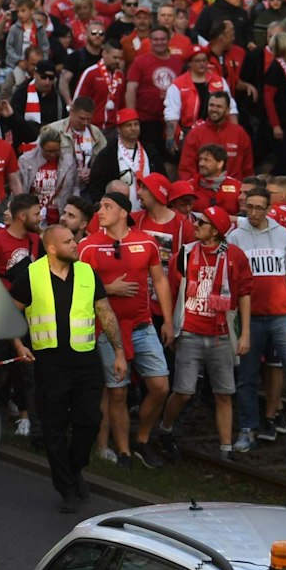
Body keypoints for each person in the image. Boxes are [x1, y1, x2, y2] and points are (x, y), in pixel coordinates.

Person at [11, 223, 124, 512]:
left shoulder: (87, 272)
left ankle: (75, 468)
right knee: (54, 427)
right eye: (68, 241)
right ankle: (66, 487)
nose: (75, 244)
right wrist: (18, 345)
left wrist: (119, 352)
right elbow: (10, 311)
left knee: (89, 420)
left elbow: (105, 313)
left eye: (73, 239)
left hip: (86, 361)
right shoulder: (31, 275)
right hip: (49, 363)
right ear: (51, 248)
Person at [76, 191, 173, 468]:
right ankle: (124, 452)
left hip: (143, 326)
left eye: (107, 206)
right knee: (117, 392)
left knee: (161, 386)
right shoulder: (89, 246)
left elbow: (161, 282)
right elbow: (78, 288)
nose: (100, 211)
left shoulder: (147, 242)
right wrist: (109, 289)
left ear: (123, 212)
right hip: (107, 330)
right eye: (100, 206)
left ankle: (141, 439)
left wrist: (166, 320)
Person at [160, 207, 254, 459]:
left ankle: (226, 449)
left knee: (224, 393)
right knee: (183, 391)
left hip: (221, 334)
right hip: (190, 331)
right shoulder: (186, 254)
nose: (196, 225)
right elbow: (170, 290)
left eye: (202, 222)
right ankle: (165, 428)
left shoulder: (235, 256)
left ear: (215, 230)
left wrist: (245, 333)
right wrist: (170, 324)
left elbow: (244, 294)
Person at [231, 190, 286, 450]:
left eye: (260, 208)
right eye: (250, 207)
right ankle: (247, 428)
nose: (254, 213)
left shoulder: (283, 235)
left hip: (281, 315)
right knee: (247, 376)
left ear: (269, 208)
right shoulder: (236, 236)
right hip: (251, 318)